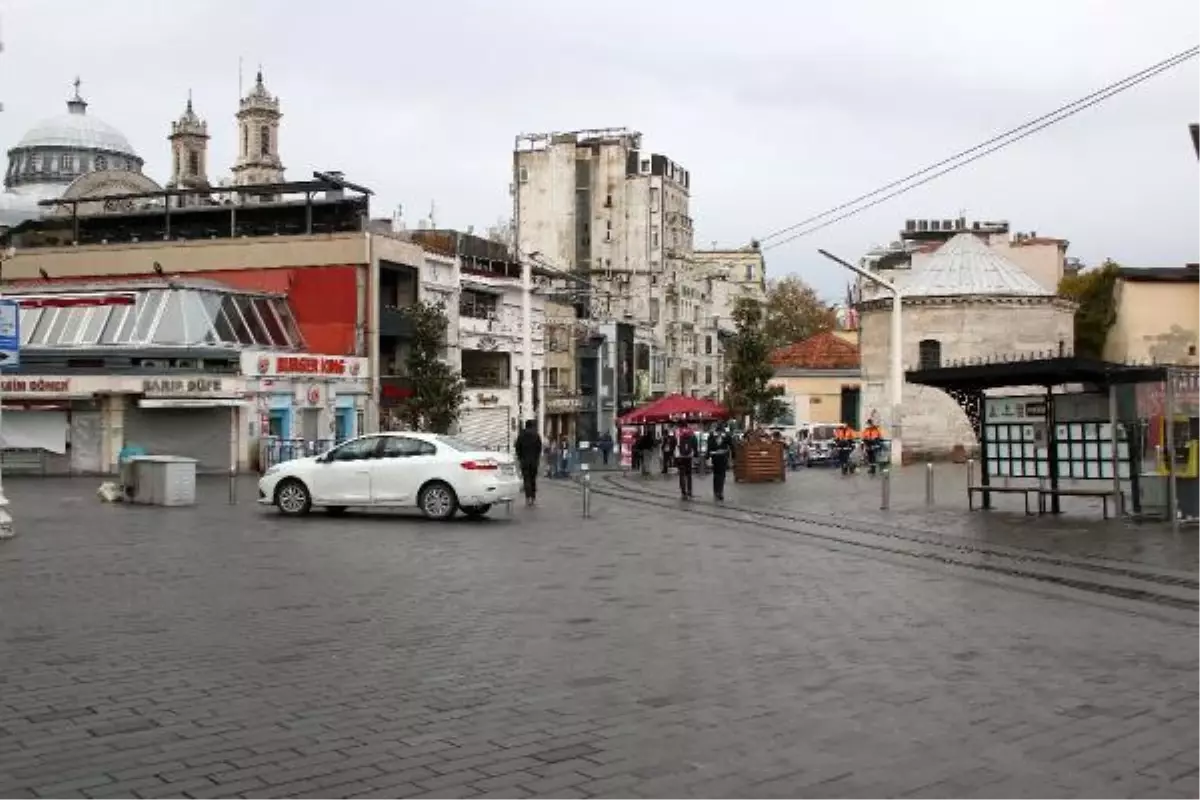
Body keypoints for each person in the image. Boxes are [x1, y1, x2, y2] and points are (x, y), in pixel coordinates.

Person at [514, 420, 542, 506]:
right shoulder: (536, 435)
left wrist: (520, 457)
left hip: (524, 461)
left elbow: (517, 447)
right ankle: (533, 498)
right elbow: (539, 448)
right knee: (533, 479)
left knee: (526, 479)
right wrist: (537, 458)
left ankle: (527, 498)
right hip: (534, 461)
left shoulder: (521, 435)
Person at [708, 422, 733, 502]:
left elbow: (731, 445)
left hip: (721, 458)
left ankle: (719, 492)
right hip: (718, 458)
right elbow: (709, 447)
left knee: (720, 475)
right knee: (717, 475)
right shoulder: (713, 436)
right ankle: (717, 491)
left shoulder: (724, 436)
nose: (720, 432)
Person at [676, 423, 698, 499]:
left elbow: (676, 445)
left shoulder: (678, 432)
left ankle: (683, 492)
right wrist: (695, 454)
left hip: (681, 457)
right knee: (689, 475)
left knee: (682, 474)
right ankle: (689, 490)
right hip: (689, 457)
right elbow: (695, 443)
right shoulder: (691, 433)